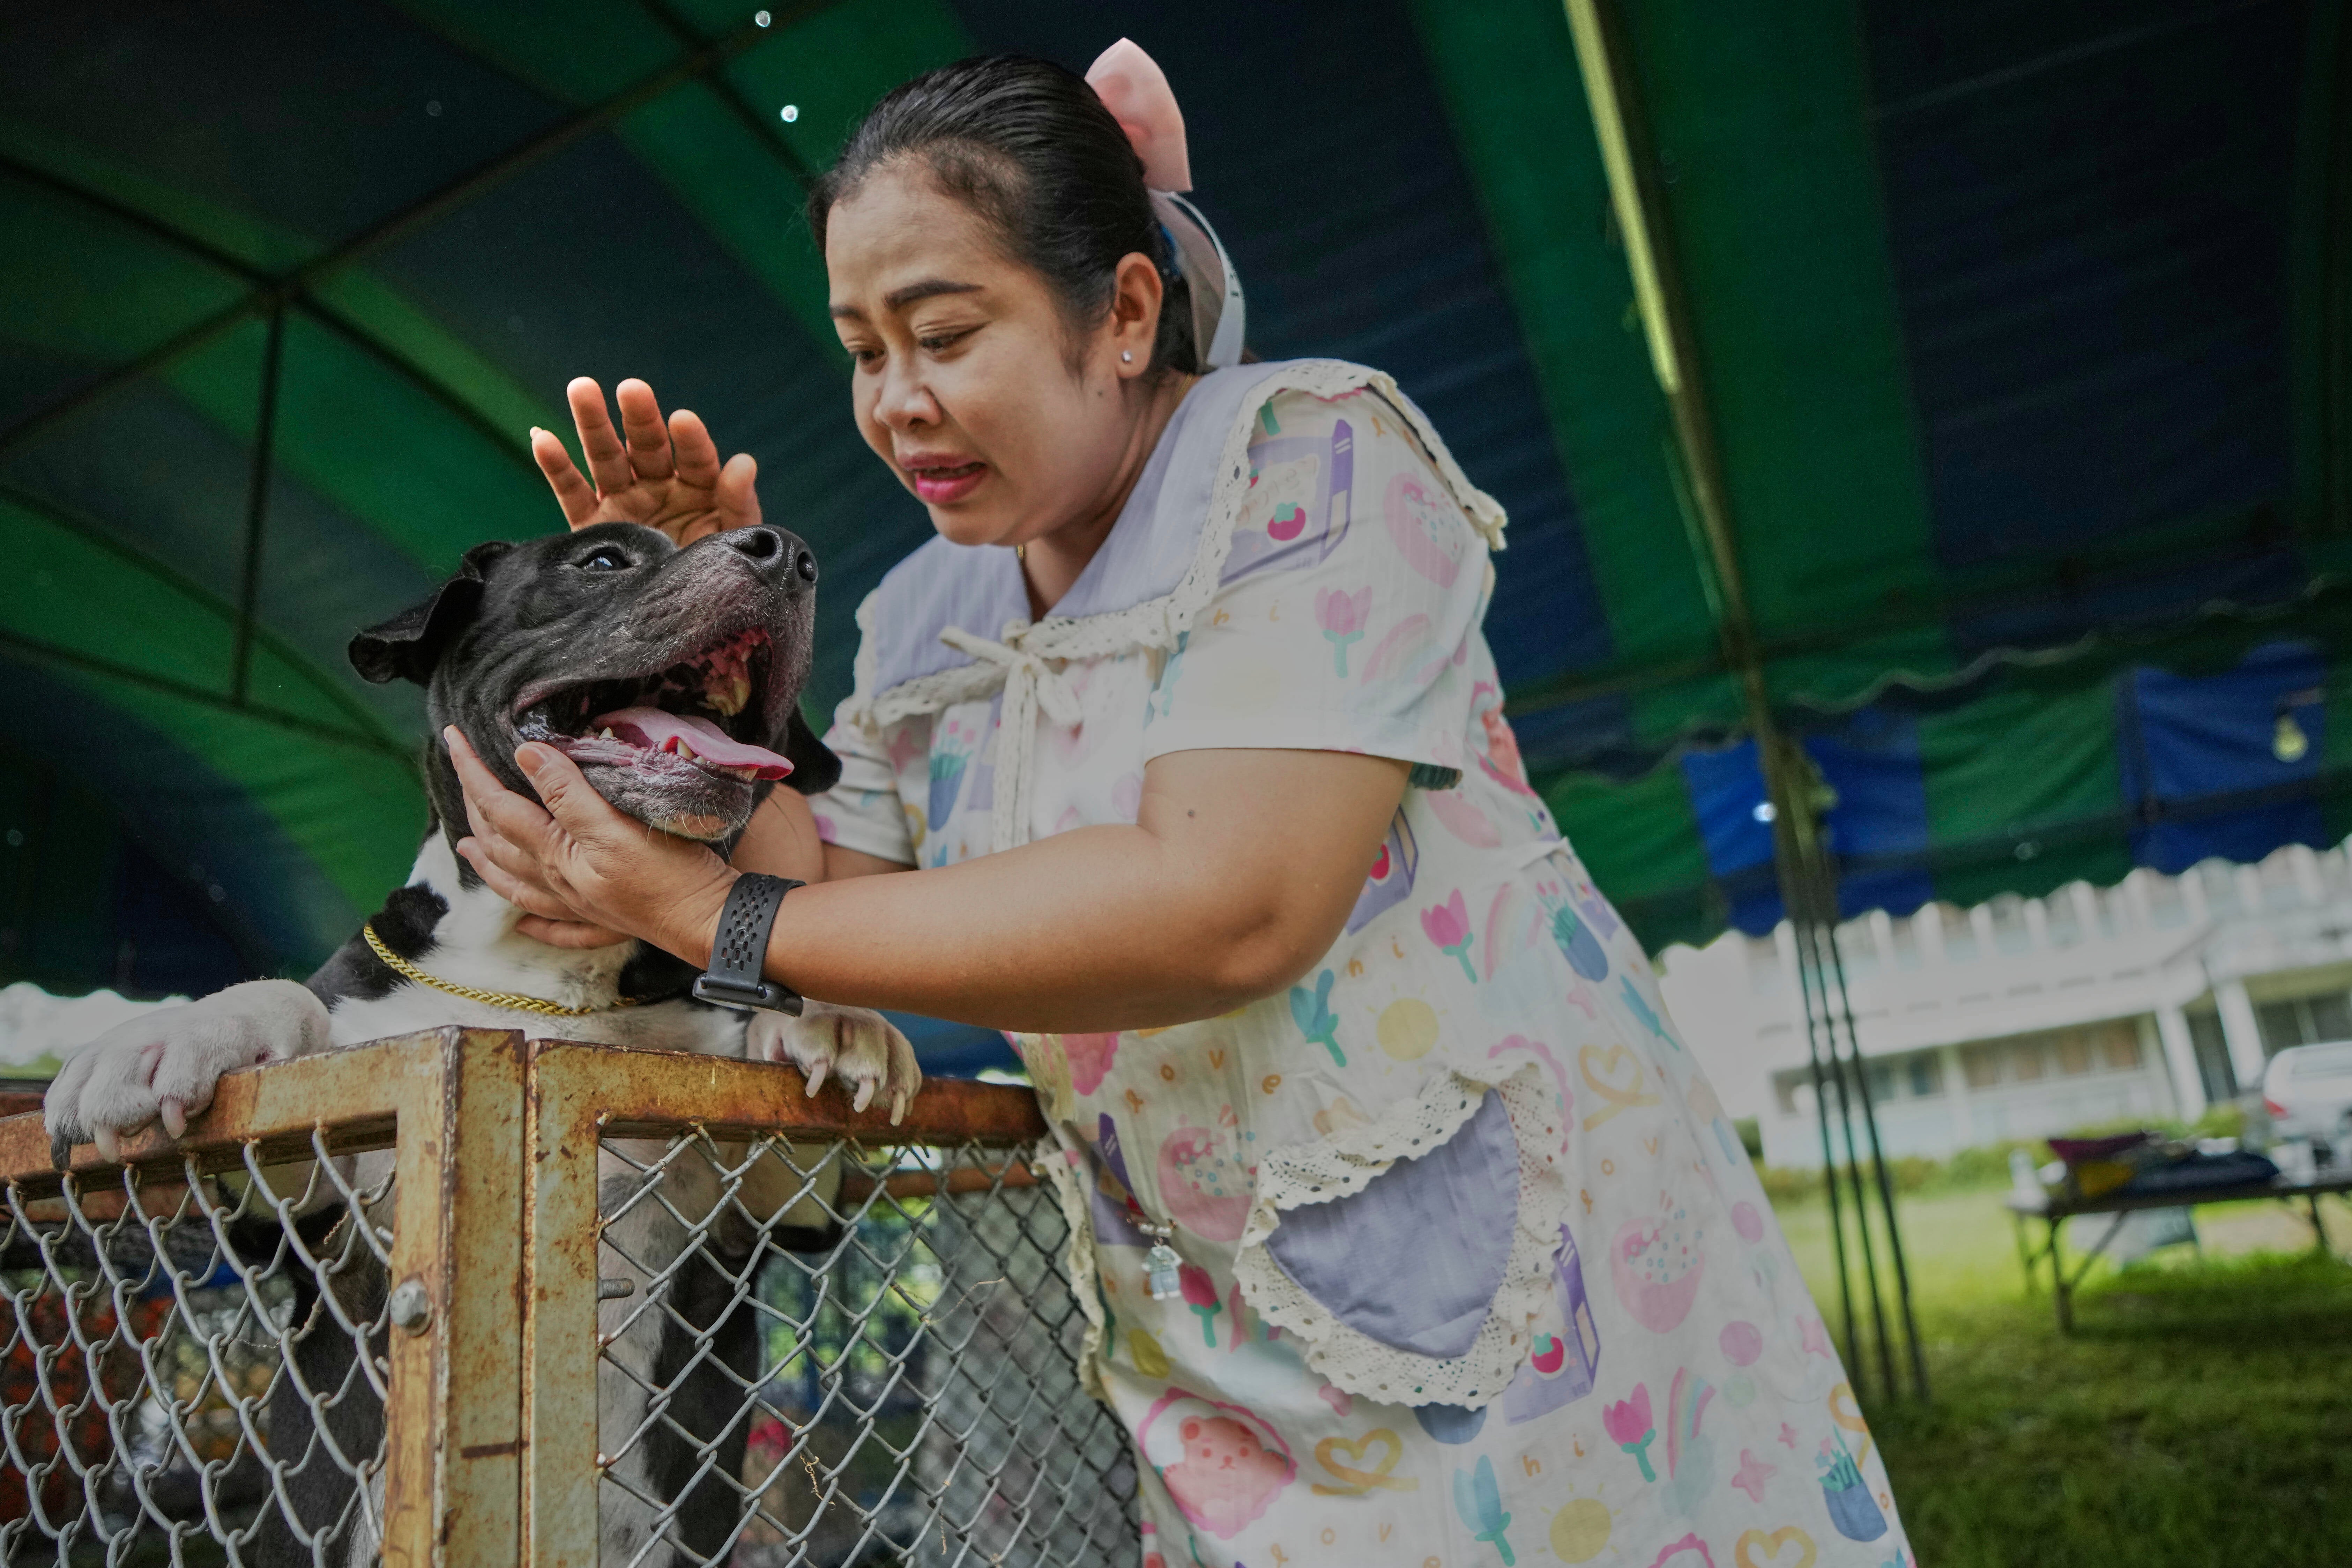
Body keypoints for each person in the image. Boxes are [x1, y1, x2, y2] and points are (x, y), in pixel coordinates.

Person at [448, 42, 1912, 1568]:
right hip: (1202, 1343)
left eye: (942, 332)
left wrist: (713, 914)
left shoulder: (1313, 459)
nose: (895, 404)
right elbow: (825, 880)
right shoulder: (916, 614)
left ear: (1125, 314)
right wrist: (709, 646)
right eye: (862, 349)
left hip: (1524, 1324)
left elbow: (1229, 905)